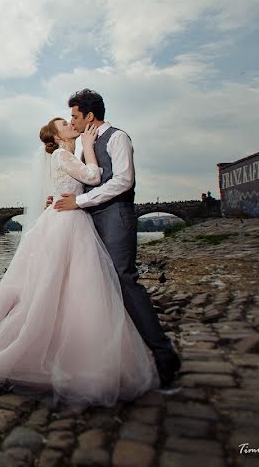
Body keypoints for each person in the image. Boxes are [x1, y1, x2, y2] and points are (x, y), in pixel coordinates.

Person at [0, 117, 159, 407]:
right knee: (70, 282)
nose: (71, 124)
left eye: (70, 119)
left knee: (67, 283)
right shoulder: (64, 153)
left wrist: (68, 183)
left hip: (70, 217)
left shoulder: (64, 156)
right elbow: (95, 177)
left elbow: (78, 185)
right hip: (69, 221)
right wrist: (88, 146)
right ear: (57, 137)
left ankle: (65, 343)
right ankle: (61, 349)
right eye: (64, 124)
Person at [53, 89, 181, 388]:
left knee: (124, 281)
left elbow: (123, 180)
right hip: (89, 217)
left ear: (89, 115)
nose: (72, 120)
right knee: (98, 285)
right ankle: (114, 357)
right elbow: (85, 182)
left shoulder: (118, 137)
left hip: (115, 215)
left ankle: (165, 357)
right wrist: (62, 198)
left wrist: (79, 202)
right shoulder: (87, 144)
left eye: (74, 115)